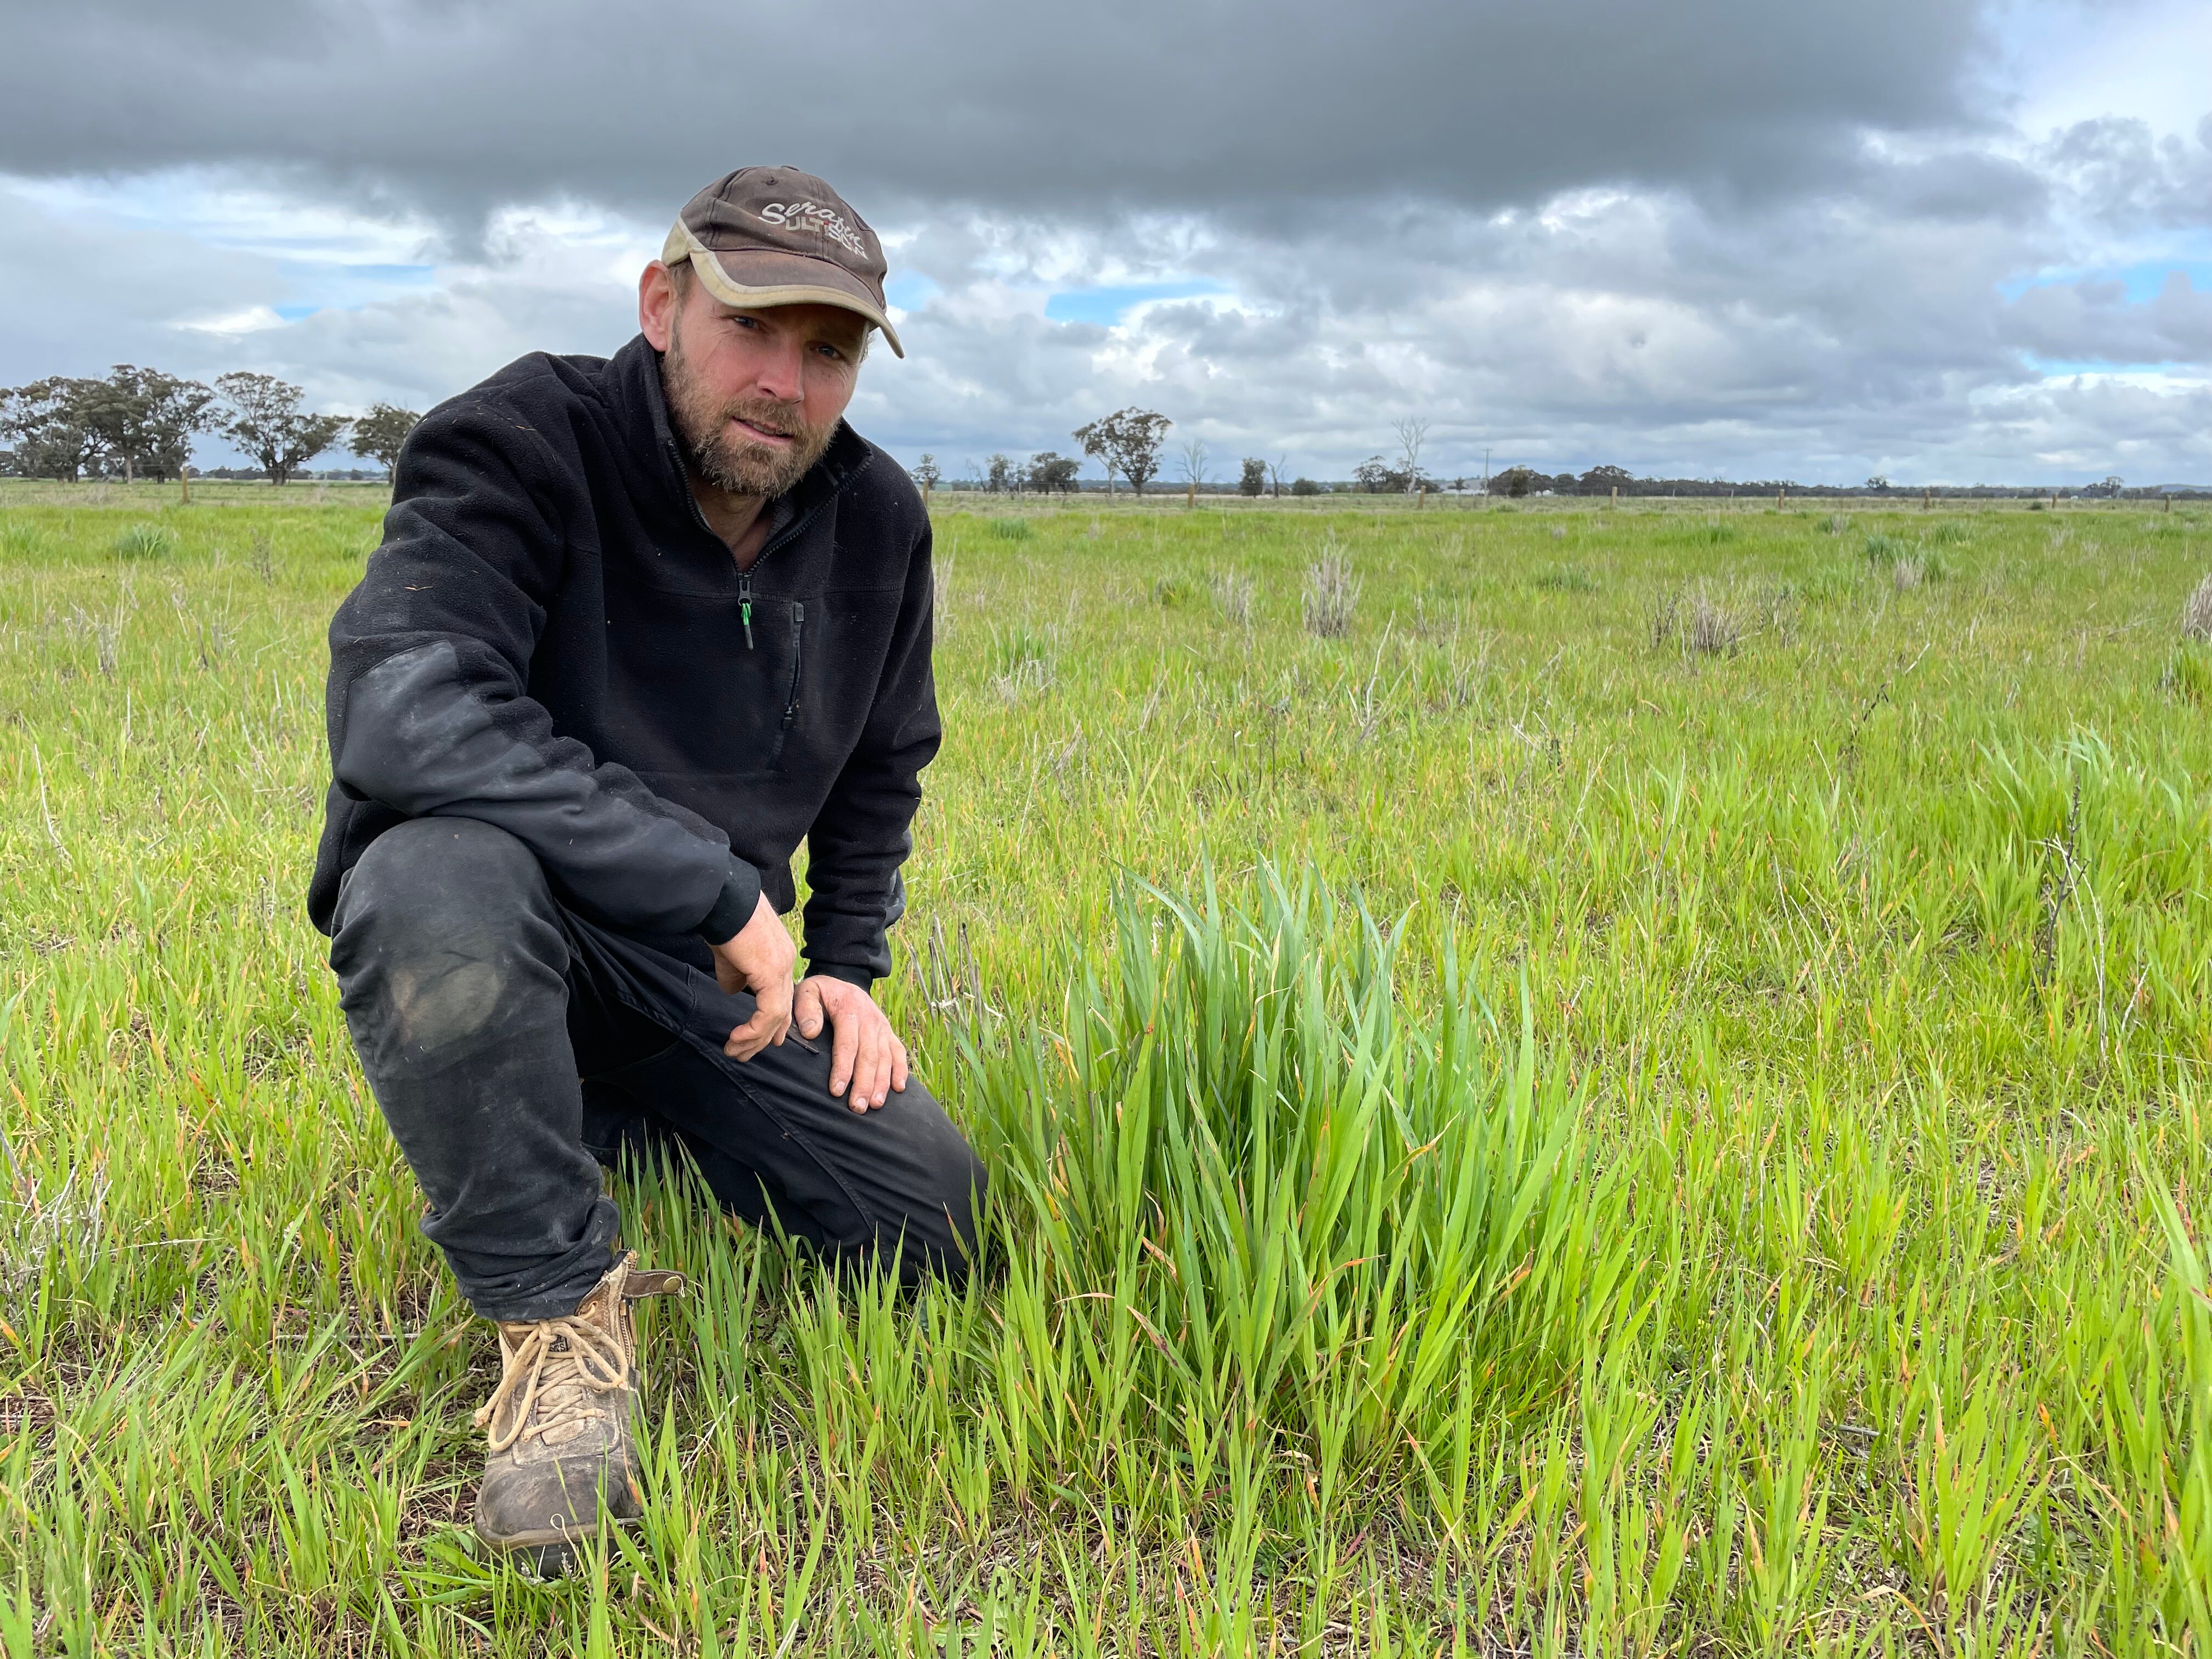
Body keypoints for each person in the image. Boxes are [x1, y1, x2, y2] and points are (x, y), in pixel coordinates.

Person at [308, 166, 983, 1571]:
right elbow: (407, 708)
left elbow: (881, 766)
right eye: (755, 329)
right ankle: (555, 1319)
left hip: (704, 977)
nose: (786, 384)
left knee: (929, 1226)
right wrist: (717, 886)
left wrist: (851, 968)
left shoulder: (880, 522)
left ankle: (599, 1103)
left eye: (831, 350)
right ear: (663, 303)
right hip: (530, 917)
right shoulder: (516, 444)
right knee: (431, 883)